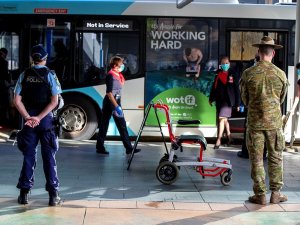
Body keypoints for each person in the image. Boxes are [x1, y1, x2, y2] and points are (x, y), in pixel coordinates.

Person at [240, 36, 288, 205]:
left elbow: (244, 99)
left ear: (258, 52)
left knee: (257, 159)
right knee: (276, 158)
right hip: (274, 124)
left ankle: (260, 194)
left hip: (254, 124)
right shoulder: (280, 74)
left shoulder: (248, 74)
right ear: (273, 53)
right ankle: (276, 193)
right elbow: (281, 99)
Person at [13, 44, 62, 206]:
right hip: (46, 121)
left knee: (28, 157)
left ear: (32, 59)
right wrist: (39, 118)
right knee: (49, 158)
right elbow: (55, 101)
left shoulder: (24, 75)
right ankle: (53, 196)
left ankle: (24, 194)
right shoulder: (50, 75)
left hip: (29, 123)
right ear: (45, 59)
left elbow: (16, 101)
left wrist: (29, 117)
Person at [96, 56, 141, 155]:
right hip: (111, 101)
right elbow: (109, 93)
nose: (122, 65)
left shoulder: (118, 75)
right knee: (121, 125)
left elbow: (125, 77)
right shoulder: (110, 76)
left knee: (104, 124)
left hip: (115, 101)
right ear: (115, 65)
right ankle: (129, 148)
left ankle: (100, 146)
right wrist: (116, 106)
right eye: (121, 64)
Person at [237, 54, 267, 159]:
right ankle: (262, 154)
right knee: (264, 132)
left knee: (250, 131)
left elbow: (242, 90)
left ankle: (247, 152)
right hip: (267, 109)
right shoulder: (275, 71)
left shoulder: (248, 71)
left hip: (252, 108)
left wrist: (247, 103)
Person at [209, 56, 240, 149]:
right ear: (220, 65)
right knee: (225, 119)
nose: (225, 65)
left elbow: (236, 89)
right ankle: (230, 137)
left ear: (229, 64)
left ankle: (219, 139)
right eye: (223, 63)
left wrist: (238, 104)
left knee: (221, 119)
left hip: (228, 101)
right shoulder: (218, 74)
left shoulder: (233, 74)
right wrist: (211, 98)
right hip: (219, 100)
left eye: (227, 63)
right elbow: (214, 87)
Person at [0, 48, 10, 124]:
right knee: (4, 102)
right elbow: (6, 74)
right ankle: (4, 119)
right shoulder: (4, 62)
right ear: (4, 54)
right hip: (2, 85)